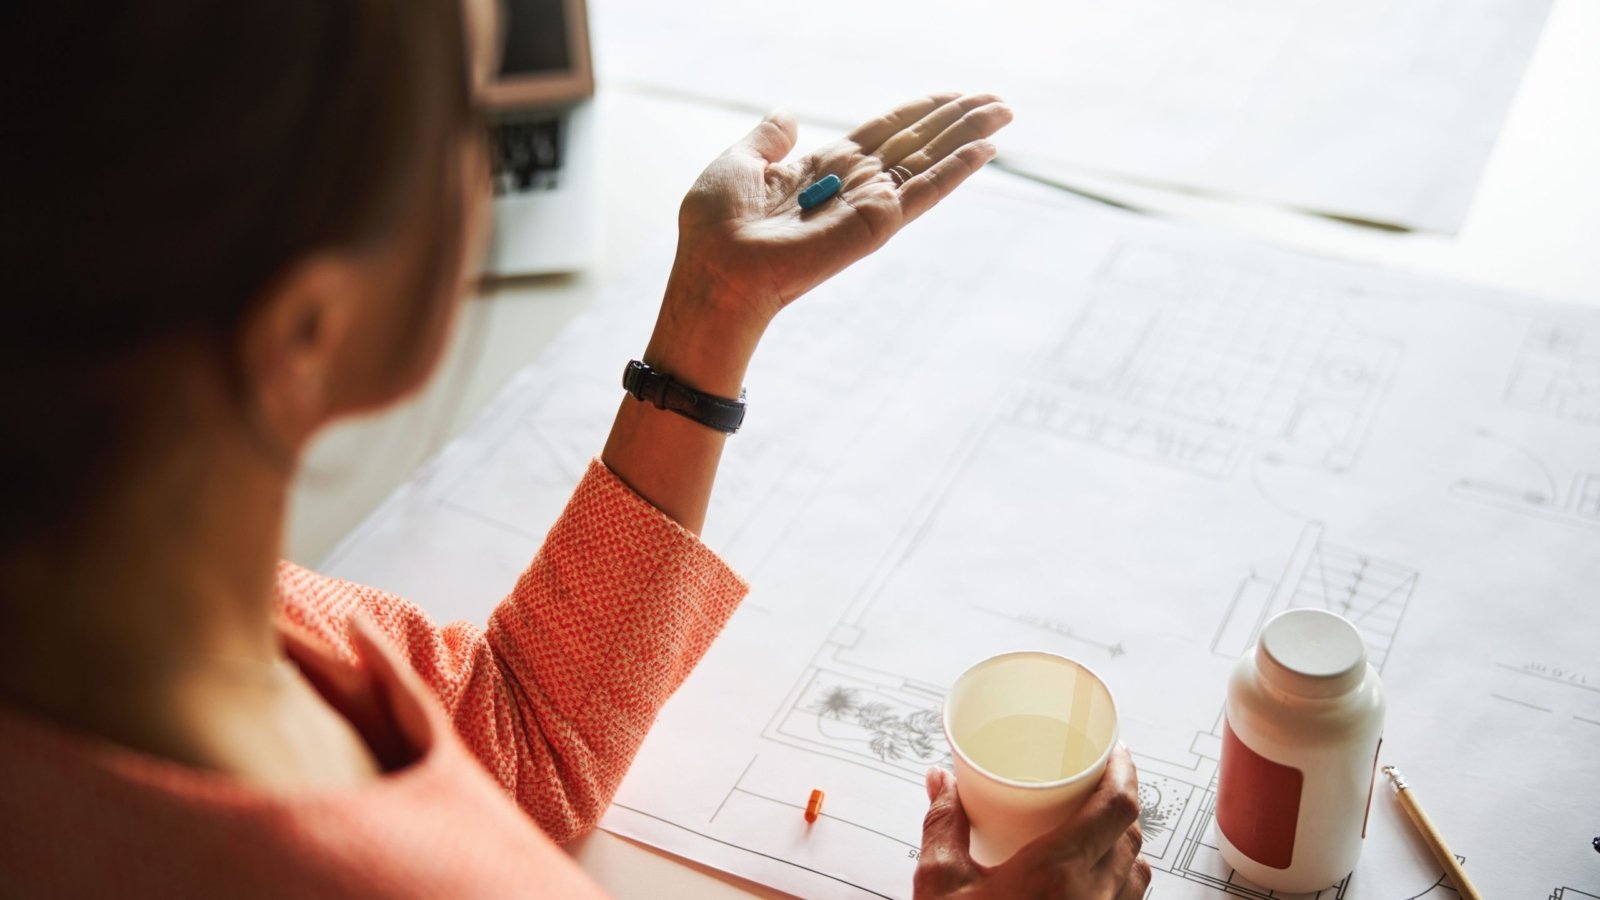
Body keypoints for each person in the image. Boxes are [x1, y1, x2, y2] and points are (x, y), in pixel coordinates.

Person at [0, 1, 1149, 897]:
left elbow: (521, 747)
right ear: (306, 332)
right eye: (470, 121)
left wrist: (707, 316)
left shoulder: (172, 619)